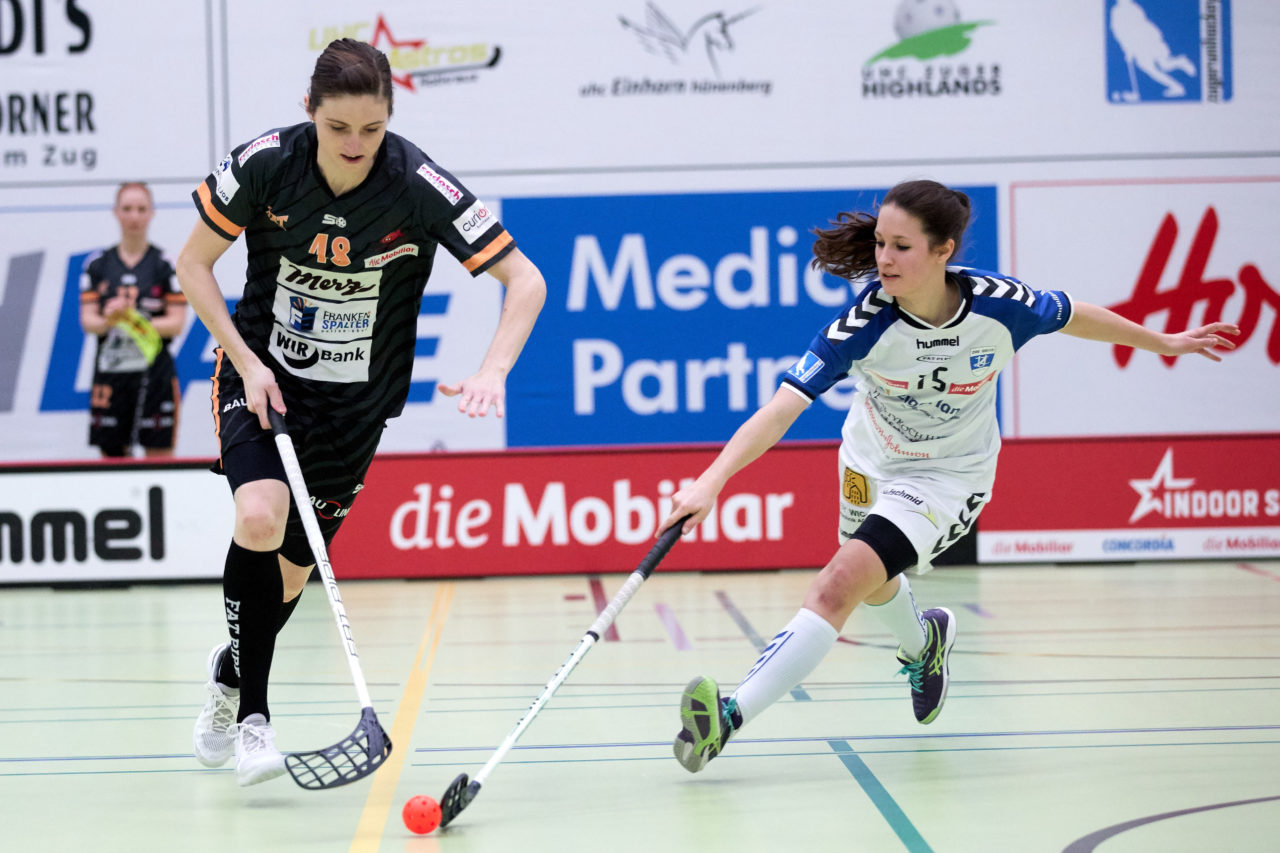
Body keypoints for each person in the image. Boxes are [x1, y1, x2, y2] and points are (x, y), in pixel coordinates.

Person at [658, 179, 1239, 773]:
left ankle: (727, 719)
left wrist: (1162, 341)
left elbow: (1072, 315)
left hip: (947, 475)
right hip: (868, 459)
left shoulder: (1001, 304)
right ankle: (925, 644)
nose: (883, 258)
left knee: (836, 586)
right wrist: (712, 481)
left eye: (901, 246)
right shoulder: (864, 323)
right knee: (871, 584)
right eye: (881, 243)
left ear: (944, 251)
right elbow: (784, 404)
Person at [175, 38, 546, 786]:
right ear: (310, 113)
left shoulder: (418, 184)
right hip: (261, 378)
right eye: (338, 127)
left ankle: (228, 665)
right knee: (259, 518)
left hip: (356, 409)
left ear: (390, 119)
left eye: (371, 130)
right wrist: (245, 362)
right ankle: (254, 717)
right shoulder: (266, 164)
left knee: (281, 583)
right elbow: (192, 264)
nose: (354, 145)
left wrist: (493, 370)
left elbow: (525, 279)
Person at [79, 182, 187, 458]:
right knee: (113, 459)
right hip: (112, 371)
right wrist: (110, 318)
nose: (134, 216)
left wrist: (129, 319)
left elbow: (175, 323)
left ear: (152, 213)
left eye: (141, 209)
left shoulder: (165, 264)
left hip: (154, 372)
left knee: (159, 455)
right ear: (116, 212)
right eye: (127, 209)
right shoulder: (96, 264)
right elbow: (88, 321)